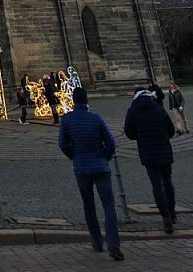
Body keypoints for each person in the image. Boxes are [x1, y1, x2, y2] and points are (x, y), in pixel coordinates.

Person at [58, 86, 123, 261]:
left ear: (73, 101)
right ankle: (113, 244)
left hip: (81, 168)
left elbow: (63, 145)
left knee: (89, 206)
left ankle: (96, 242)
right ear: (87, 100)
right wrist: (105, 157)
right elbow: (110, 142)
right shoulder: (96, 118)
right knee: (109, 206)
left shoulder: (67, 120)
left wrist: (75, 156)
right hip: (101, 167)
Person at [124, 88, 177, 233]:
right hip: (164, 151)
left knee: (156, 185)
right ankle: (172, 213)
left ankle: (165, 217)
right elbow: (171, 131)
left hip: (148, 153)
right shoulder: (159, 109)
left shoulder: (133, 111)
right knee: (168, 182)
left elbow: (129, 133)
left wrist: (141, 135)